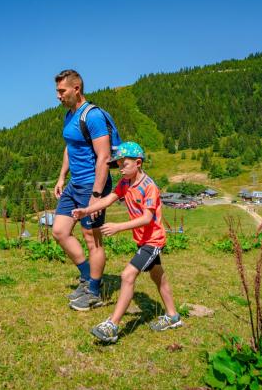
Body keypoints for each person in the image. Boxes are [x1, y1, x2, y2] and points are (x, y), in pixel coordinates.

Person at [72, 141, 183, 343]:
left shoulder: (149, 187)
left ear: (138, 163)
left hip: (153, 241)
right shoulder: (125, 183)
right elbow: (110, 198)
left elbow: (147, 219)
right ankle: (172, 316)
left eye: (124, 164)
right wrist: (86, 210)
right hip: (142, 241)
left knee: (127, 275)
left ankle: (112, 326)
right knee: (158, 277)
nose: (120, 169)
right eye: (119, 165)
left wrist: (118, 227)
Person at [53, 69, 115, 311]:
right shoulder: (70, 115)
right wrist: (61, 177)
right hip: (74, 183)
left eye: (62, 91)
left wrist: (96, 196)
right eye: (57, 91)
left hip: (92, 184)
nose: (58, 96)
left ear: (76, 88)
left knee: (93, 240)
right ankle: (87, 276)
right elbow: (70, 147)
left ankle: (94, 292)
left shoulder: (93, 116)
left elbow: (104, 156)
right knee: (59, 231)